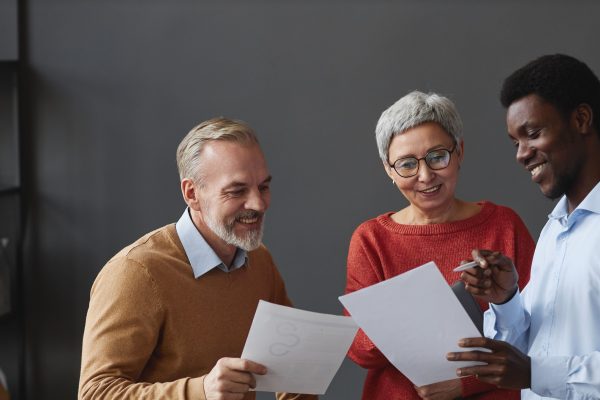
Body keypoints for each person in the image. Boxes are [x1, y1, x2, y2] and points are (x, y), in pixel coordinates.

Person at [78, 117, 317, 400]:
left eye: (263, 187)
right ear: (192, 194)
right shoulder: (137, 272)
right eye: (237, 191)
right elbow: (95, 394)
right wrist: (200, 390)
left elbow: (292, 365)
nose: (258, 203)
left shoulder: (259, 260)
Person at [344, 91, 535, 400]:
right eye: (406, 164)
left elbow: (541, 338)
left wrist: (468, 381)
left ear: (459, 151)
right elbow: (361, 351)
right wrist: (421, 310)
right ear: (388, 170)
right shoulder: (371, 240)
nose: (425, 175)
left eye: (437, 156)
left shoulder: (503, 225)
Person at [448, 54, 600, 399]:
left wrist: (535, 372)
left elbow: (533, 368)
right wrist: (506, 299)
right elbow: (531, 344)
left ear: (581, 119)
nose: (521, 154)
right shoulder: (555, 231)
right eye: (516, 142)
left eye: (532, 134)